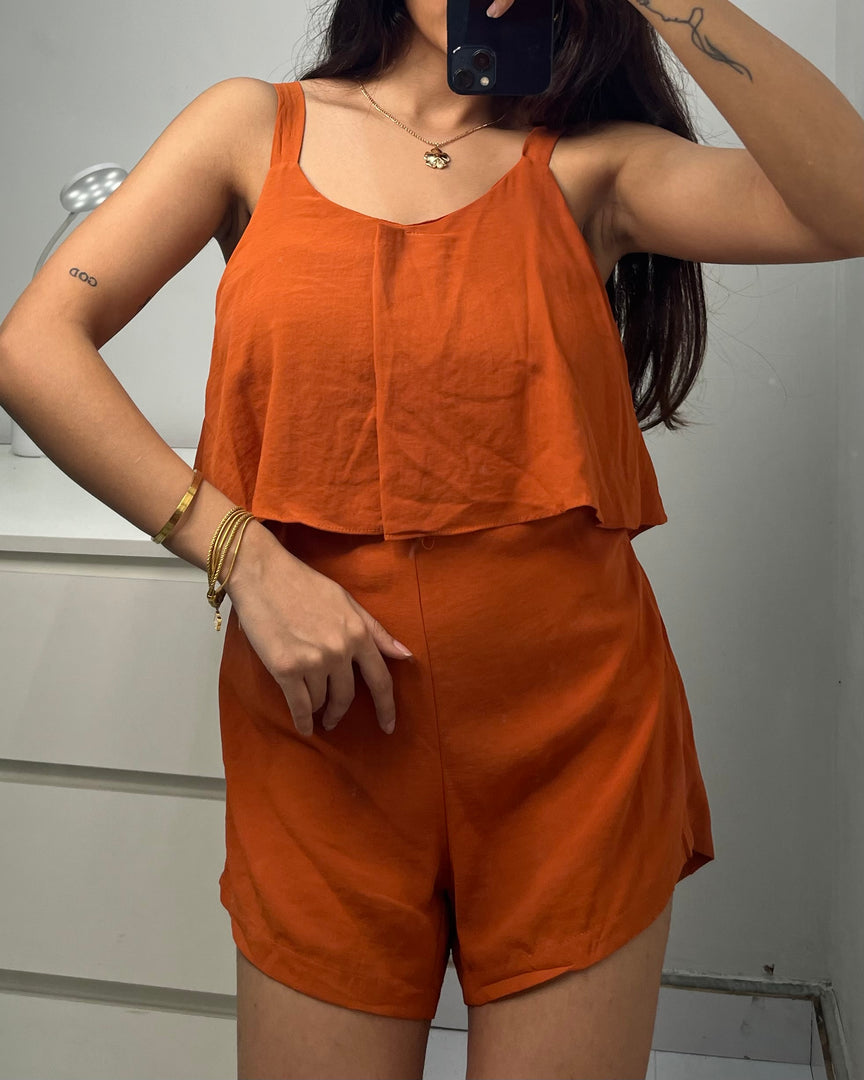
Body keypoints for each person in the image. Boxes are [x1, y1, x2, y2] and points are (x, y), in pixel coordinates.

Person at [1, 0, 862, 1075]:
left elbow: (848, 203)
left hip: (577, 755)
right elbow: (35, 344)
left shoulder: (592, 165)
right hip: (325, 751)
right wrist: (243, 556)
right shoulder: (251, 127)